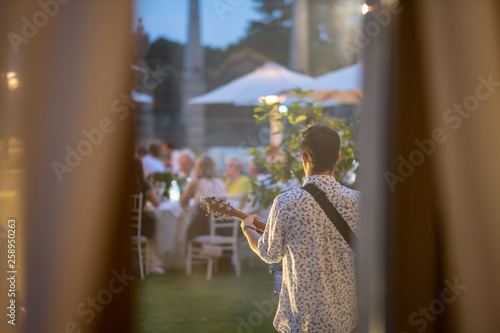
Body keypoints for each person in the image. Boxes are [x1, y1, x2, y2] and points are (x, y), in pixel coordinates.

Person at [241, 124, 360, 333]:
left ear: (303, 159)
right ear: (338, 158)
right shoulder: (357, 202)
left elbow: (269, 253)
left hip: (301, 319)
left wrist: (248, 229)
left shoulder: (285, 202)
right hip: (345, 318)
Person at [181, 155, 226, 241]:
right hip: (222, 225)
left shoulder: (196, 182)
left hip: (202, 225)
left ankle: (188, 253)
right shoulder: (220, 182)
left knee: (184, 231)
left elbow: (183, 202)